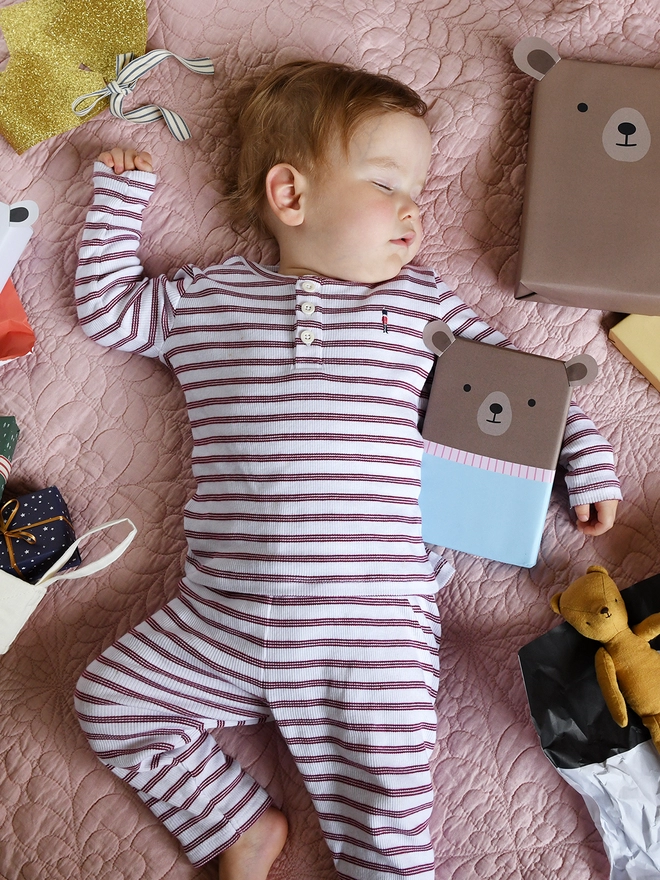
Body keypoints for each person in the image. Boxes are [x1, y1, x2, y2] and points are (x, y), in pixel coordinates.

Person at [73, 60, 621, 880]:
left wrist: (586, 457)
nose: (413, 212)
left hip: (370, 628)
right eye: (388, 184)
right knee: (110, 703)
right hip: (220, 611)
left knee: (388, 826)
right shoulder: (207, 299)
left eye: (419, 192)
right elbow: (110, 309)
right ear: (290, 196)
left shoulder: (419, 307)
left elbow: (523, 384)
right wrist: (118, 206)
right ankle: (236, 824)